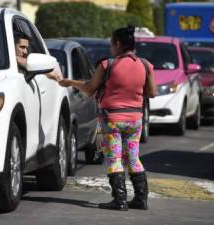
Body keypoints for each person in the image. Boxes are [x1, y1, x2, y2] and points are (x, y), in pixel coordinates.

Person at [59, 25, 157, 211]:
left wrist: (70, 82)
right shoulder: (146, 65)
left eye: (112, 44)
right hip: (135, 119)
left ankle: (119, 200)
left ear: (118, 44)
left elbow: (89, 89)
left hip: (112, 120)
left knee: (114, 159)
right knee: (133, 158)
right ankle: (141, 199)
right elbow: (151, 93)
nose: (111, 48)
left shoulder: (107, 65)